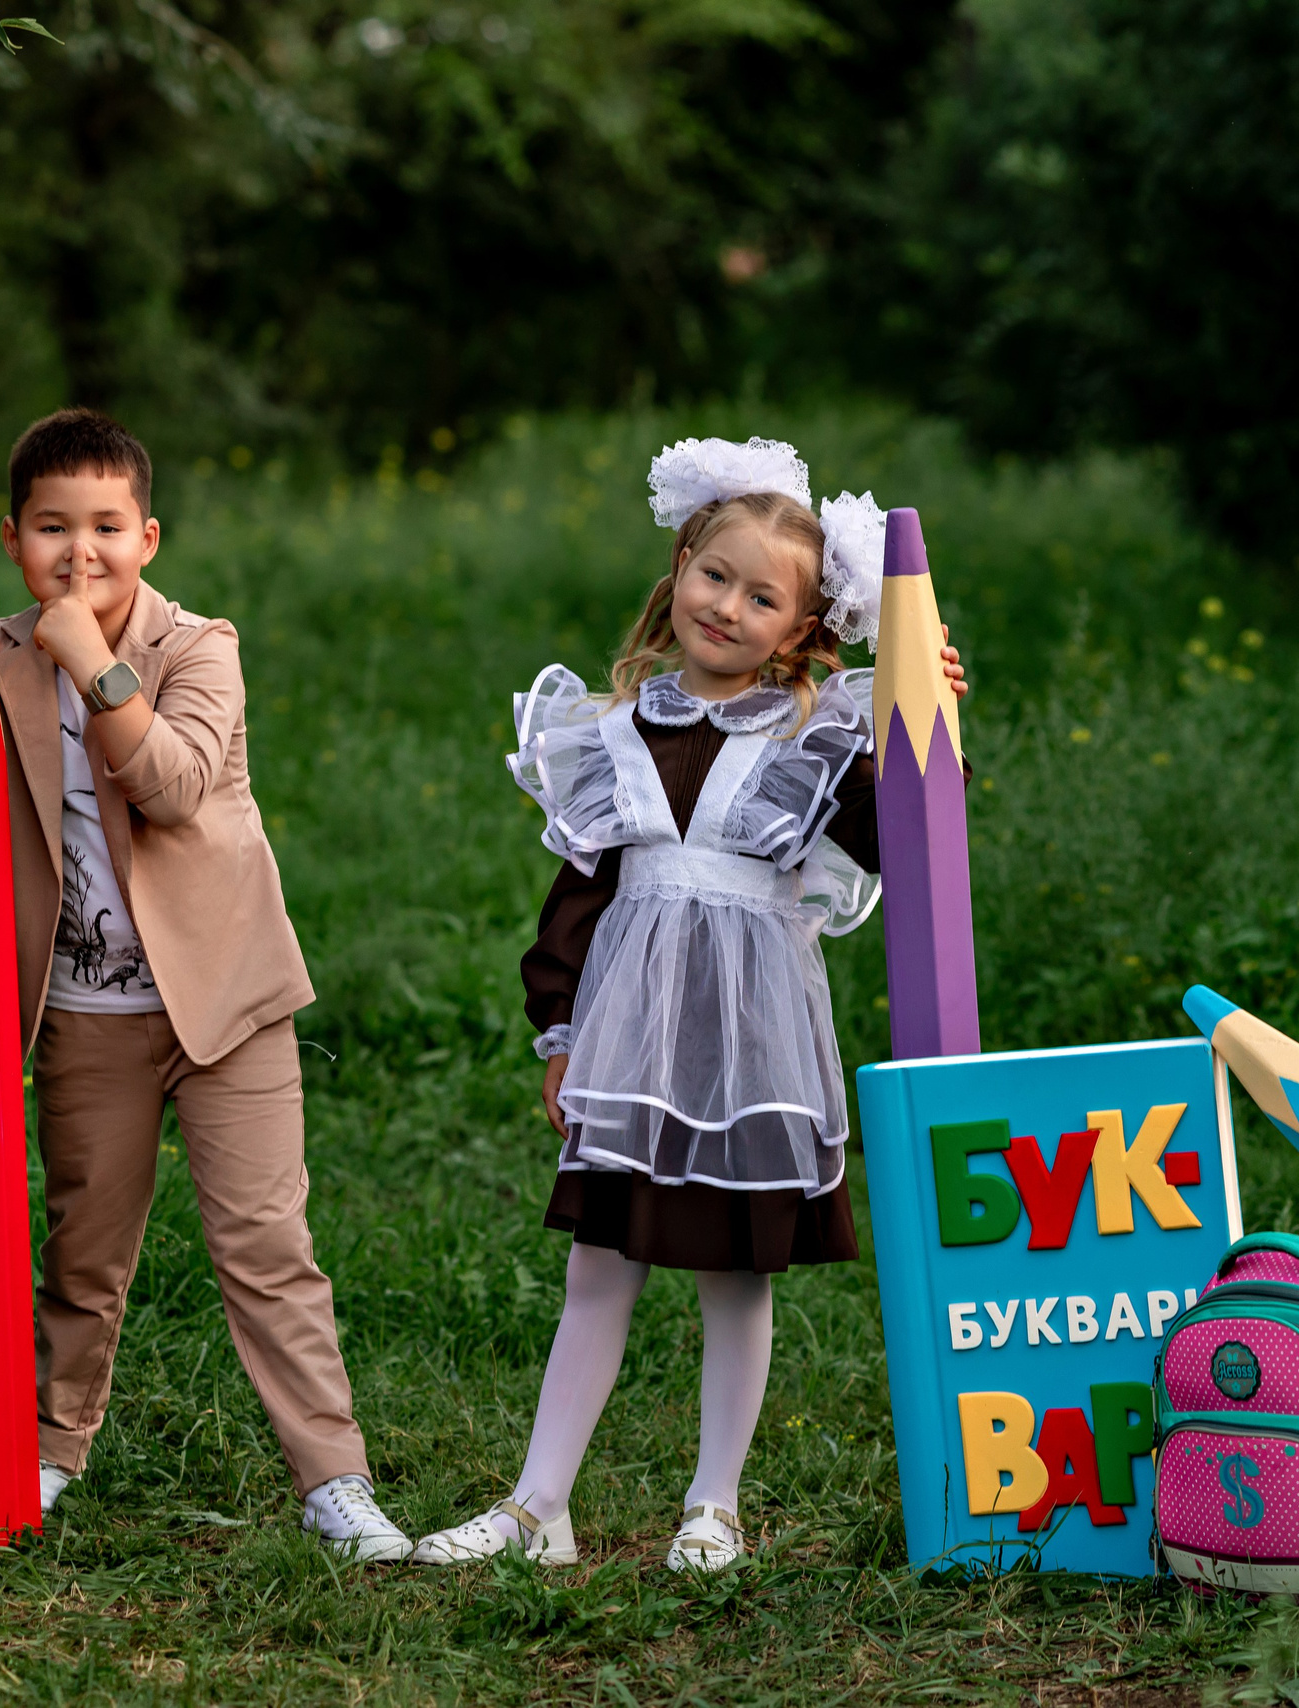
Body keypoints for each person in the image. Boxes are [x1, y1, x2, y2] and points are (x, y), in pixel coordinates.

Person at [409, 436, 969, 1573]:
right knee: (598, 1267)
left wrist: (922, 719)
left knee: (734, 1272)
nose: (728, 606)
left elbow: (899, 842)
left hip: (751, 1047)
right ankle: (536, 1509)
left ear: (800, 629)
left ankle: (713, 1504)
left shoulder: (816, 739)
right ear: (678, 570)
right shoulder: (609, 734)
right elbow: (579, 897)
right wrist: (559, 1031)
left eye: (764, 596)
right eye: (715, 575)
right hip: (625, 1041)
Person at [0, 408, 410, 1562]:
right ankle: (51, 1449)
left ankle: (335, 1481)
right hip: (85, 1010)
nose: (83, 551)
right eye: (53, 527)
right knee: (83, 1251)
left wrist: (89, 652)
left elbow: (171, 784)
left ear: (149, 535)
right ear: (12, 540)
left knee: (269, 1246)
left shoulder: (197, 644)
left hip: (224, 1002)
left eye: (108, 526)